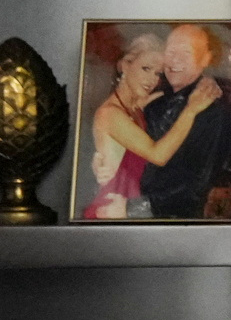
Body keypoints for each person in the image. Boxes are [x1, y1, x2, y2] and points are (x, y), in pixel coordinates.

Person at [82, 34, 219, 220]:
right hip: (111, 210)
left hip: (130, 210)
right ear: (125, 65)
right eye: (145, 68)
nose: (152, 80)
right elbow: (158, 155)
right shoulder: (111, 114)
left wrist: (207, 80)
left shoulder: (136, 107)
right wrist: (190, 111)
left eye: (157, 73)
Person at [137, 23, 231, 221]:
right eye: (171, 51)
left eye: (186, 52)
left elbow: (198, 186)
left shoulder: (214, 113)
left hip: (170, 221)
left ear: (206, 59)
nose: (175, 60)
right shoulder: (153, 99)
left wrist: (138, 207)